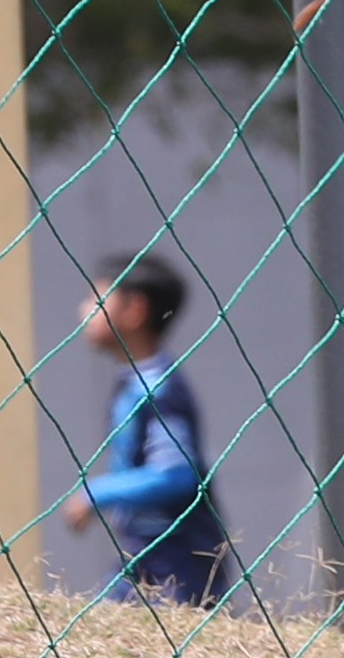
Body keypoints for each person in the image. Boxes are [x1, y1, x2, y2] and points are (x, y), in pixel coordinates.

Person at [57, 258, 236, 604]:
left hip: (179, 557)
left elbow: (176, 474)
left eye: (97, 301)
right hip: (143, 552)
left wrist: (97, 494)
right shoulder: (133, 382)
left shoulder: (160, 389)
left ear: (134, 310)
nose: (83, 311)